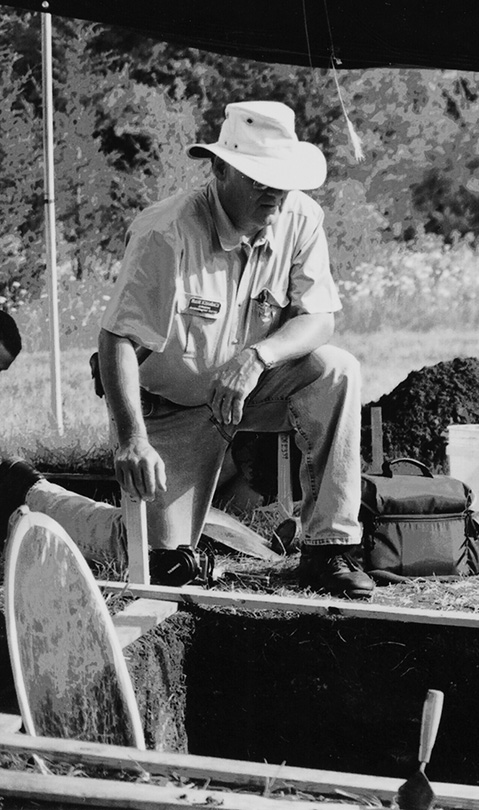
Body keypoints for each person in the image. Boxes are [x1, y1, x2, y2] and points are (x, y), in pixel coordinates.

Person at [1, 101, 371, 599]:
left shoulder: (301, 217)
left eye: (281, 181)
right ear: (220, 169)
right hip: (171, 406)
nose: (274, 195)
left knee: (336, 371)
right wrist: (132, 439)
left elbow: (319, 317)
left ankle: (329, 548)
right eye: (259, 180)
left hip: (249, 389)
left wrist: (257, 357)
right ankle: (29, 492)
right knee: (156, 558)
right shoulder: (166, 232)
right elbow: (117, 339)